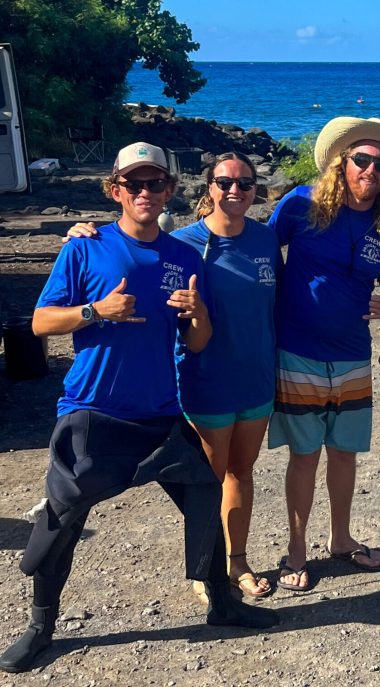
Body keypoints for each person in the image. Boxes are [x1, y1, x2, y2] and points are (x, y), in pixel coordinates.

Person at [0, 143, 277, 674]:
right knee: (62, 522)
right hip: (93, 412)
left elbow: (196, 342)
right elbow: (38, 324)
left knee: (204, 496)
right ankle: (39, 625)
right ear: (116, 190)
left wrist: (196, 314)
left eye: (155, 184)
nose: (145, 193)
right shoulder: (85, 247)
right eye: (134, 184)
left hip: (161, 415)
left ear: (171, 190)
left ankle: (220, 602)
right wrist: (94, 310)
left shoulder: (182, 256)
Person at [63, 153, 282, 599]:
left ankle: (235, 560)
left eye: (245, 183)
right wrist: (83, 235)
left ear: (256, 189)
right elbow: (137, 248)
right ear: (209, 188)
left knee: (242, 472)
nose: (235, 191)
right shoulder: (185, 244)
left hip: (257, 381)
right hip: (204, 384)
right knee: (205, 483)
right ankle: (210, 573)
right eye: (224, 182)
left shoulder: (266, 240)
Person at [269, 117, 380, 592]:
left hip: (354, 356)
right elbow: (249, 247)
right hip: (298, 352)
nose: (371, 171)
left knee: (344, 455)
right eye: (363, 160)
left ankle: (340, 539)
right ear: (343, 162)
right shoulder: (300, 205)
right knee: (304, 456)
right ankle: (296, 550)